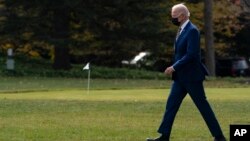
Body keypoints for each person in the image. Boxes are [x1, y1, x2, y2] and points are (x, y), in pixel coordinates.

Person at [146, 3, 226, 141]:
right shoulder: (181, 30)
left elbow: (191, 55)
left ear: (182, 16)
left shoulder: (192, 30)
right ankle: (164, 136)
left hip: (192, 77)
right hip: (180, 78)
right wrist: (176, 68)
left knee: (202, 106)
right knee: (171, 105)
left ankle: (219, 137)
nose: (172, 19)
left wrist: (174, 67)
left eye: (174, 16)